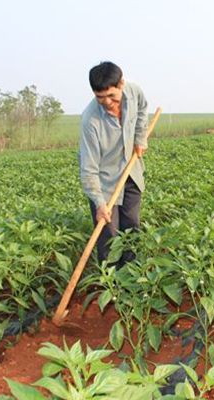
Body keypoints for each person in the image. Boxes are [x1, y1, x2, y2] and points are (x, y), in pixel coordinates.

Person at [79, 61, 148, 267]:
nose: (107, 102)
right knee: (109, 233)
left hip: (131, 171)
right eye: (100, 97)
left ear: (121, 84)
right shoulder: (90, 121)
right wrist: (99, 203)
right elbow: (88, 168)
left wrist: (140, 138)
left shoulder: (134, 92)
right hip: (105, 182)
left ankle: (132, 273)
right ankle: (112, 282)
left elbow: (143, 109)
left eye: (111, 96)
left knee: (132, 226)